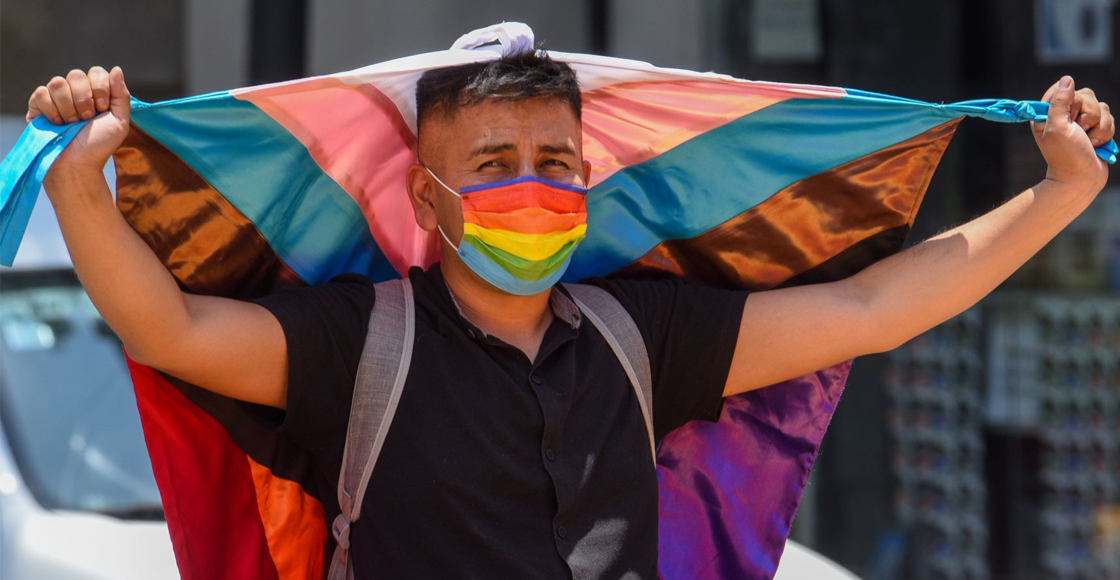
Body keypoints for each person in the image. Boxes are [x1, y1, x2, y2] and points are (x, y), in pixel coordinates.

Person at [26, 50, 1113, 578]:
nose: (530, 183)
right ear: (425, 197)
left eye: (554, 160)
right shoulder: (361, 343)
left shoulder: (644, 337)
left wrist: (1061, 191)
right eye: (491, 163)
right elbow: (169, 330)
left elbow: (874, 305)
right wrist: (78, 185)